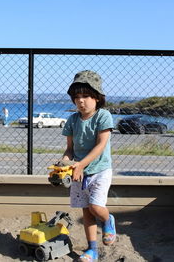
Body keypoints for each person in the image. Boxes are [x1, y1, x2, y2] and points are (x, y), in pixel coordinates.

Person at [60, 70, 116, 262]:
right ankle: (92, 249)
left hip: (99, 170)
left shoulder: (103, 116)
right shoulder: (72, 120)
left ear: (97, 97)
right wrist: (64, 164)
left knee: (95, 206)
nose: (81, 101)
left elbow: (101, 145)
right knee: (86, 212)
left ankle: (108, 220)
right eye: (77, 97)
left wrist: (81, 164)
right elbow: (69, 149)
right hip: (78, 173)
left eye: (85, 96)